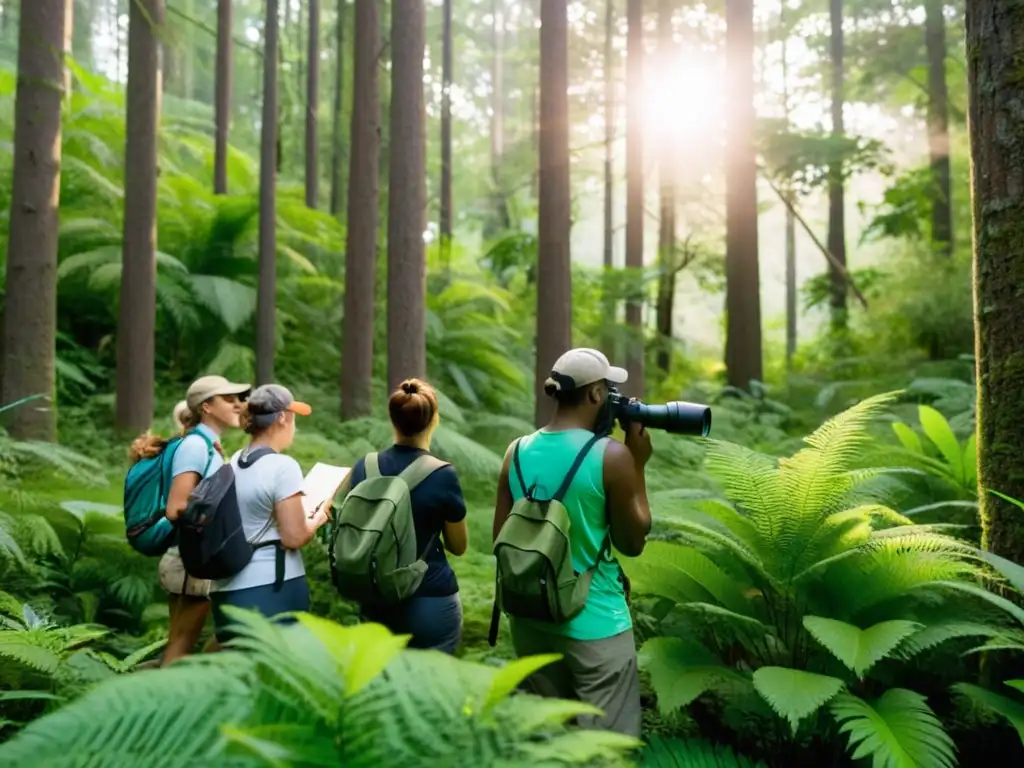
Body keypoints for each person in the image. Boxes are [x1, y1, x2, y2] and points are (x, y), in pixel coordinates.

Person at [491, 348, 652, 738]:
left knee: (551, 744)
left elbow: (500, 536)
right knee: (605, 748)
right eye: (609, 388)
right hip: (594, 621)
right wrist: (639, 463)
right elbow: (633, 541)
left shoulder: (516, 451)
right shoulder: (612, 457)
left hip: (531, 615)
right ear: (596, 395)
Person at [129, 374, 252, 666]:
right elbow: (177, 508)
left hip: (189, 558)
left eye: (239, 399)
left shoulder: (207, 445)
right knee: (180, 648)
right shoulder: (195, 446)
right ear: (207, 406)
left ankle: (142, 690)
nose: (238, 405)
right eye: (228, 399)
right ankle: (167, 705)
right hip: (191, 561)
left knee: (179, 643)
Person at [343, 378, 469, 653]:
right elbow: (458, 547)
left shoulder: (365, 466)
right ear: (434, 420)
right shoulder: (441, 473)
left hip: (374, 601)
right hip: (429, 601)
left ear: (392, 419)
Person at [209, 384, 331, 643]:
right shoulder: (283, 467)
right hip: (272, 588)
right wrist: (317, 518)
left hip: (226, 586)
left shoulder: (233, 462)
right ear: (283, 418)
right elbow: (294, 537)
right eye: (294, 418)